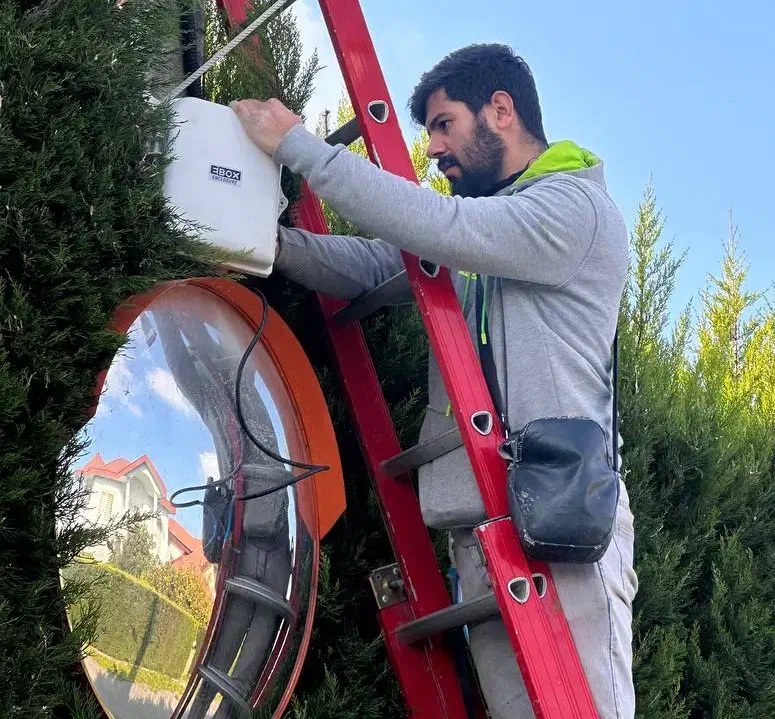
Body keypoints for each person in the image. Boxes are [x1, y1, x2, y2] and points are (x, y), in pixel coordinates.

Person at [231, 43, 638, 718]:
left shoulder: (572, 208)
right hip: (483, 527)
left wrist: (300, 146)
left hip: (557, 524)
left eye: (445, 125)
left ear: (501, 109)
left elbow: (439, 224)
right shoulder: (488, 233)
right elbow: (377, 267)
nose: (434, 150)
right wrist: (262, 245)